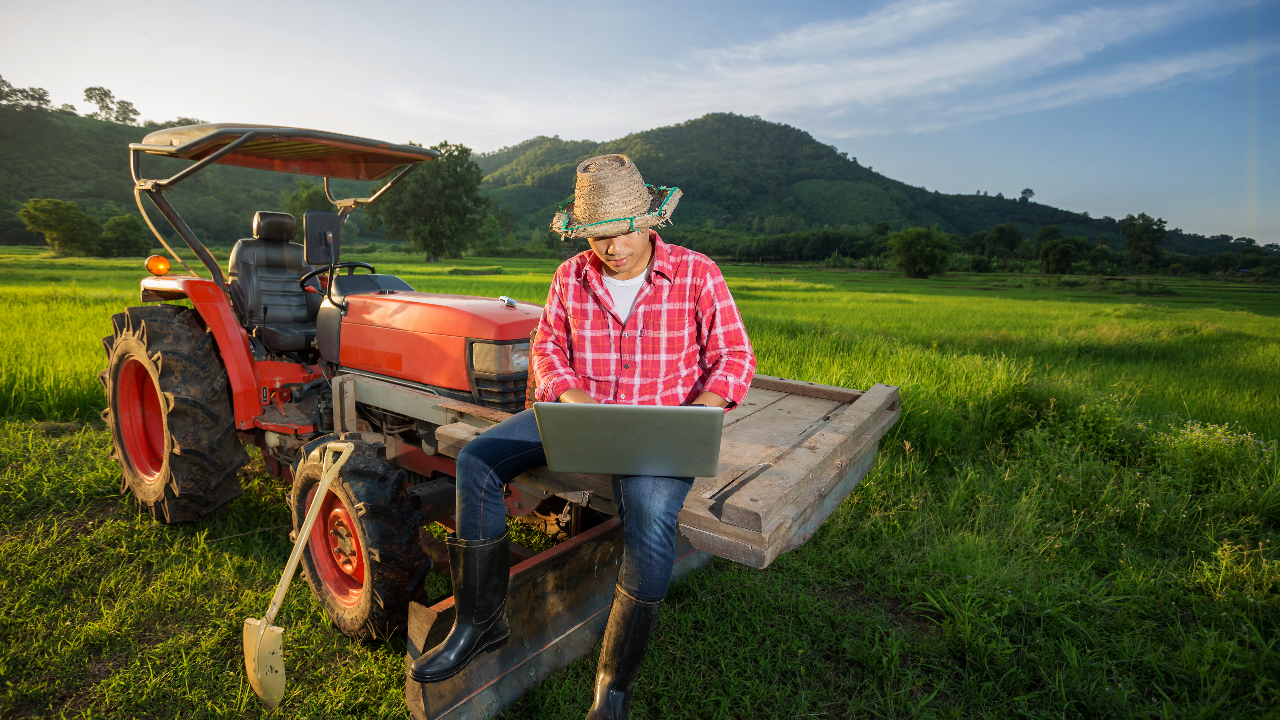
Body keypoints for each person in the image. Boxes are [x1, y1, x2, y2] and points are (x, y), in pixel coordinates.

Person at [409, 154, 756, 719]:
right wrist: (575, 398)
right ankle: (479, 622)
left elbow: (734, 355)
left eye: (620, 235)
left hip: (659, 428)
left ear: (649, 222)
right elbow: (546, 347)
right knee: (476, 460)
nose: (610, 250)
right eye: (597, 238)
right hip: (579, 414)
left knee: (646, 518)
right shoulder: (571, 275)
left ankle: (612, 687)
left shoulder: (698, 273)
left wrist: (703, 412)